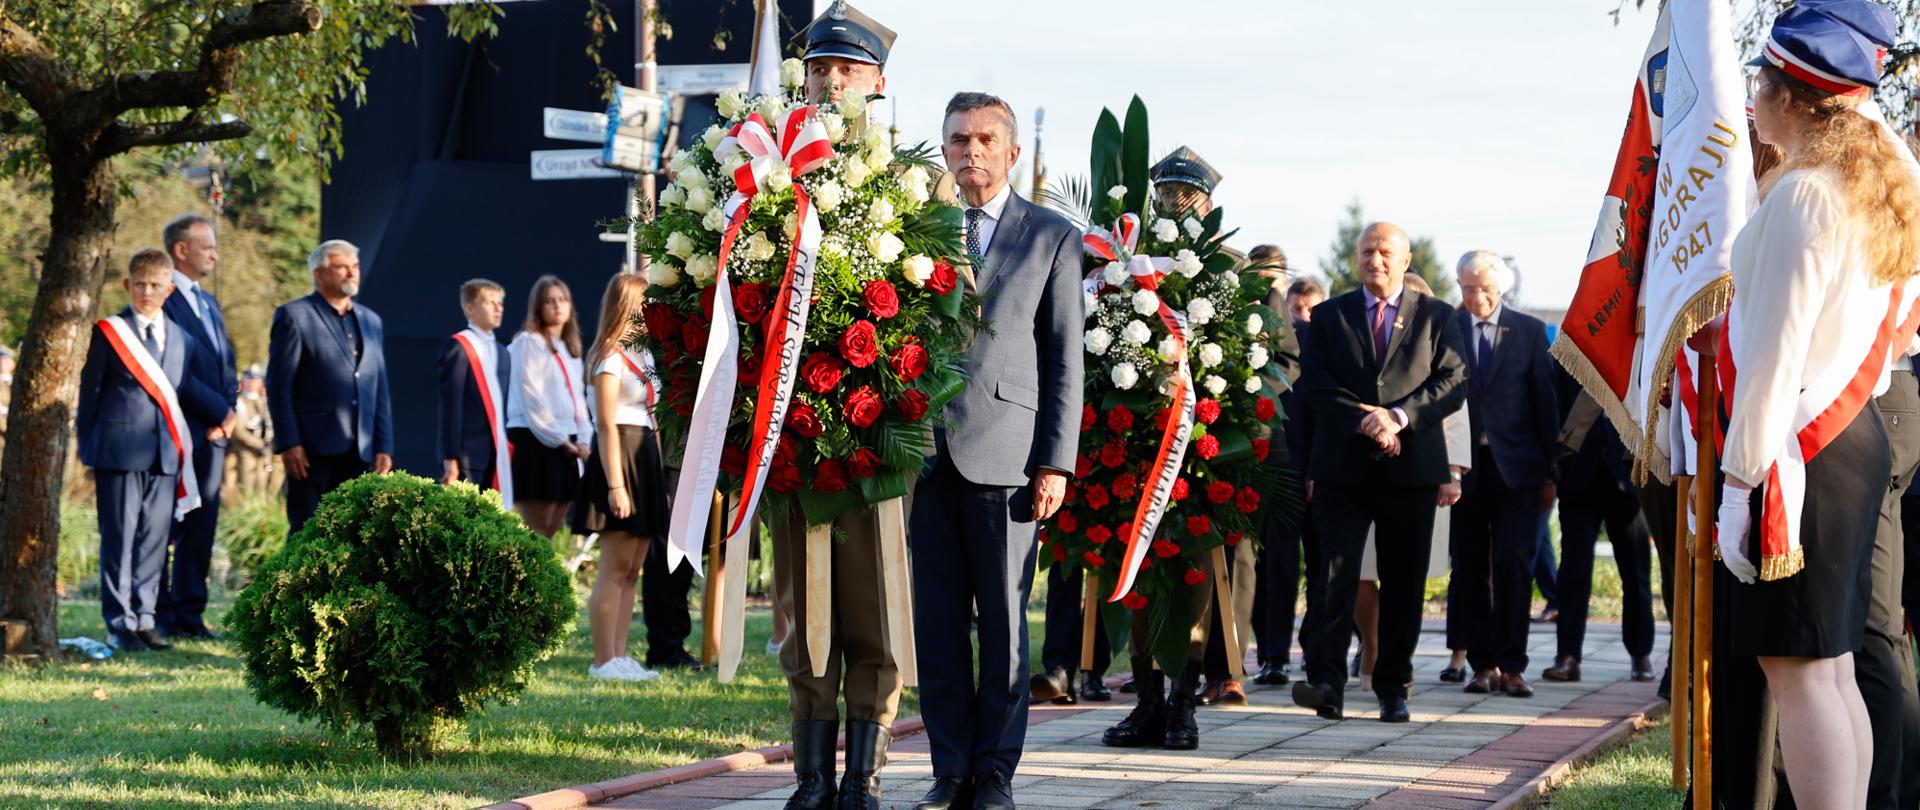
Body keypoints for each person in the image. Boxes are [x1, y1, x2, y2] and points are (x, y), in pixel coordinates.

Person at [1718, 4, 1918, 804]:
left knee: (1801, 671)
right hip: (1842, 439)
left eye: (1757, 86)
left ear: (1788, 98)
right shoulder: (1861, 188)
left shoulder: (1805, 194)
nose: (1751, 102)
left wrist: (1740, 481)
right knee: (1828, 668)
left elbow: (1774, 354)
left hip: (1795, 447)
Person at [910, 91, 1082, 810]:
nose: (969, 152)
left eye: (984, 140)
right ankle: (949, 771)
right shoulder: (918, 233)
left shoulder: (1050, 235)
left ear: (1012, 152)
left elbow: (1065, 353)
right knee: (939, 627)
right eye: (957, 140)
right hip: (923, 454)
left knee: (1007, 628)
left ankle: (994, 776)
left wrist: (1057, 460)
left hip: (1009, 458)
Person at [773, 6, 906, 809]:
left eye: (846, 71)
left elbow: (938, 302)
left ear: (877, 84)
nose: (830, 81)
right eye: (819, 68)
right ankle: (812, 775)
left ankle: (865, 774)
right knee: (801, 600)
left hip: (877, 434)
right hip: (790, 432)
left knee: (875, 599)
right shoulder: (767, 168)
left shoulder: (905, 178)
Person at [1290, 221, 1467, 724]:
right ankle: (1326, 682)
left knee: (1403, 582)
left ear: (1406, 260)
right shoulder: (1328, 316)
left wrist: (1399, 417)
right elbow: (1316, 385)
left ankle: (1393, 685)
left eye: (1386, 252)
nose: (1376, 260)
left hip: (1410, 469)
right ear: (1356, 258)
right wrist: (1368, 422)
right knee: (1332, 577)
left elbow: (1453, 380)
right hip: (1343, 469)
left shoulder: (1437, 315)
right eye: (1368, 251)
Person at [77, 249, 229, 651]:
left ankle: (146, 620)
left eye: (156, 285)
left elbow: (180, 392)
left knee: (154, 541)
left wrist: (222, 413)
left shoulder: (181, 338)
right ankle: (120, 623)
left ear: (169, 289)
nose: (147, 292)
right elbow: (90, 394)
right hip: (118, 452)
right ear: (128, 285)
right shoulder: (110, 331)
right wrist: (87, 447)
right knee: (120, 538)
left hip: (165, 453)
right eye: (140, 284)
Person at [1445, 251, 1558, 699]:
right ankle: (1481, 664)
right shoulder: (1447, 331)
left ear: (1502, 288)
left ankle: (1513, 666)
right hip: (1465, 468)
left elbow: (1545, 404)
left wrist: (1551, 472)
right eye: (1468, 288)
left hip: (1519, 470)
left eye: (1484, 289)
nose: (1476, 297)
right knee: (1470, 569)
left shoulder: (1528, 331)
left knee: (1514, 564)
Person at [1352, 272, 1469, 693]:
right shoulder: (1362, 330)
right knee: (1362, 569)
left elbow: (1454, 409)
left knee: (1407, 573)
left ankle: (1396, 660)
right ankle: (1371, 645)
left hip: (1423, 471)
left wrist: (1453, 472)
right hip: (1366, 470)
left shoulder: (1438, 336)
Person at [574, 273, 670, 683]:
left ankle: (620, 654)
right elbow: (606, 424)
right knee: (614, 565)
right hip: (620, 457)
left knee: (634, 567)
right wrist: (616, 484)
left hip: (645, 456)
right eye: (644, 304)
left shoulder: (645, 355)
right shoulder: (609, 356)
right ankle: (603, 660)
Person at [267, 240, 394, 534]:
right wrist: (289, 443)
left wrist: (383, 444)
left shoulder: (371, 321)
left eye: (355, 266)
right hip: (311, 453)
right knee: (307, 534)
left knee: (354, 537)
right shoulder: (294, 316)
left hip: (360, 453)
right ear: (319, 274)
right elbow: (278, 385)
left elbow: (379, 388)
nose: (352, 273)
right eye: (342, 267)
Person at [156, 214, 239, 640]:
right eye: (206, 246)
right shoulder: (164, 297)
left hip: (215, 435)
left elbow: (226, 362)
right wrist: (218, 412)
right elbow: (174, 370)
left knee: (202, 525)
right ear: (180, 250)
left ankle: (189, 613)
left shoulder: (208, 302)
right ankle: (160, 612)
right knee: (168, 524)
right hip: (182, 429)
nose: (214, 253)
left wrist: (232, 410)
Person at [1541, 381, 1657, 685]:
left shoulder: (1640, 343)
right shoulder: (1573, 344)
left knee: (1636, 571)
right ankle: (1567, 656)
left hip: (1627, 476)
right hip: (1578, 475)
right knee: (1573, 571)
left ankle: (1640, 654)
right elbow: (1554, 406)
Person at [1251, 275, 1326, 687]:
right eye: (1292, 308)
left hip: (1317, 469)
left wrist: (1318, 467)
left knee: (1321, 568)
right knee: (1277, 568)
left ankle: (1315, 652)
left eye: (1305, 309)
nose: (1297, 317)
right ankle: (1273, 655)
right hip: (1279, 470)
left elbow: (1324, 408)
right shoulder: (1261, 344)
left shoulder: (1321, 340)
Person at [506, 275, 591, 539]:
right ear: (538, 308)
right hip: (537, 442)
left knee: (551, 529)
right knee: (534, 531)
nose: (557, 306)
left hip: (568, 445)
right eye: (549, 301)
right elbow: (532, 398)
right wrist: (560, 441)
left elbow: (579, 400)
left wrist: (584, 440)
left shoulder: (569, 349)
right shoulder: (528, 343)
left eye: (562, 300)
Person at [437, 279, 513, 505]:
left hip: (496, 453)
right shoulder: (458, 347)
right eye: (490, 303)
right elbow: (450, 407)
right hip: (467, 455)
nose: (498, 308)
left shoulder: (503, 352)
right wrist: (450, 458)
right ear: (470, 308)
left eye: (500, 303)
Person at [229, 365, 273, 497]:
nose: (252, 383)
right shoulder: (239, 401)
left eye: (256, 380)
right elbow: (238, 430)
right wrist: (259, 444)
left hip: (265, 454)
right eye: (249, 379)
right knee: (247, 491)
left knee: (263, 490)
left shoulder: (265, 401)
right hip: (246, 452)